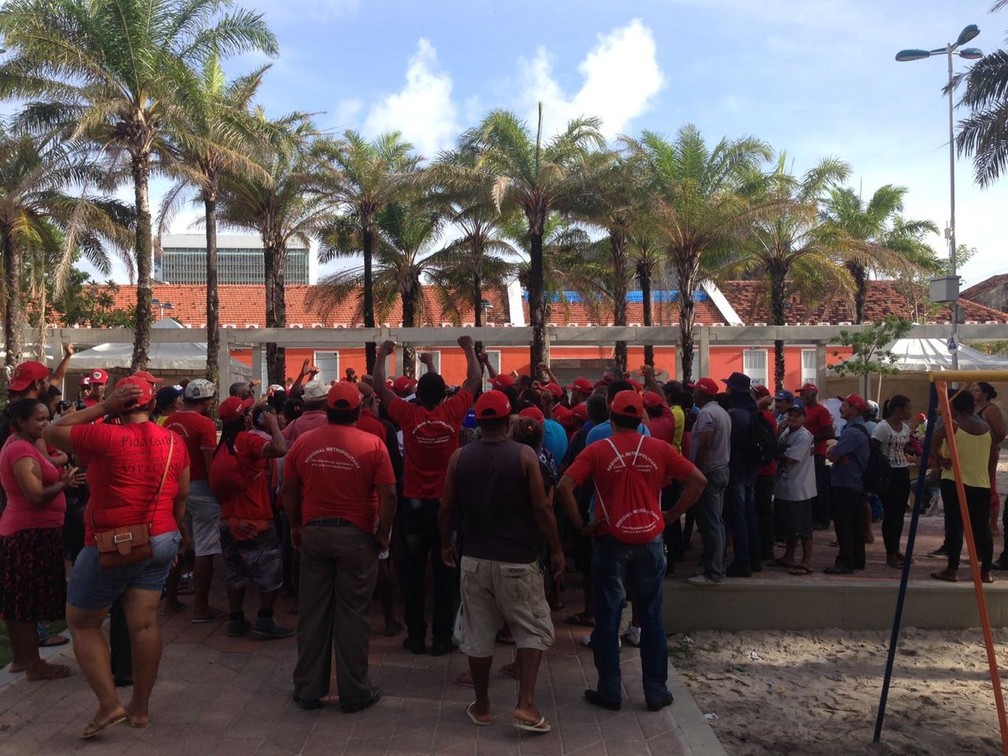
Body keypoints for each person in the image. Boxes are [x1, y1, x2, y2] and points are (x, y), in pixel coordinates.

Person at [44, 377, 190, 737]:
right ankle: (140, 710)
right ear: (153, 406)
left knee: (82, 622)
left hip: (114, 542)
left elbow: (52, 430)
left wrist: (104, 408)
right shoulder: (174, 441)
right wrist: (174, 537)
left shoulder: (103, 436)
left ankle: (110, 704)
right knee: (144, 623)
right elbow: (181, 495)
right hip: (162, 537)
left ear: (118, 405)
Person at [558, 390, 706, 713]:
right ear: (641, 419)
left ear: (611, 419)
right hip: (651, 539)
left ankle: (609, 689)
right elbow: (697, 480)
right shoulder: (659, 449)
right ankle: (656, 691)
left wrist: (581, 525)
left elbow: (564, 487)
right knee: (651, 616)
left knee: (608, 616)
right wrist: (670, 515)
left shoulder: (597, 449)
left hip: (610, 539)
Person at [439, 390, 563, 733]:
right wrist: (555, 549)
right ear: (508, 421)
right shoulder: (524, 455)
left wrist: (444, 544)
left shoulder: (459, 458)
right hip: (518, 560)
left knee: (478, 633)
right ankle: (525, 704)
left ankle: (482, 706)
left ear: (478, 422)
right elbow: (542, 508)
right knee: (531, 629)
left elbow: (446, 508)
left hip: (474, 559)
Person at [283, 382, 397, 712]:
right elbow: (389, 495)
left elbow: (289, 489)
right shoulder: (373, 444)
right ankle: (355, 691)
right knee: (353, 616)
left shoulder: (304, 442)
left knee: (313, 613)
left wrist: (295, 524)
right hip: (357, 536)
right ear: (359, 412)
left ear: (328, 410)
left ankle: (307, 688)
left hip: (315, 534)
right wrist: (384, 533)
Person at [371, 336, 481, 656]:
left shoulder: (408, 416)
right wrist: (468, 348)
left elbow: (379, 386)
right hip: (447, 506)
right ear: (445, 394)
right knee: (447, 571)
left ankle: (416, 636)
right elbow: (474, 379)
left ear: (417, 396)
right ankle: (443, 637)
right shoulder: (453, 414)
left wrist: (383, 354)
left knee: (414, 572)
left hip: (414, 506)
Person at [0, 398, 84, 679]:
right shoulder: (21, 451)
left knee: (18, 600)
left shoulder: (24, 443)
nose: (46, 424)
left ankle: (23, 659)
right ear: (21, 422)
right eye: (40, 419)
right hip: (29, 533)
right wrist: (64, 482)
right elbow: (34, 495)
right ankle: (34, 663)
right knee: (25, 602)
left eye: (47, 418)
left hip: (34, 531)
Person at [211, 397, 292, 639]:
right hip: (255, 519)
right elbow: (280, 448)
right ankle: (265, 620)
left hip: (228, 519)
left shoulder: (222, 446)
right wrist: (275, 425)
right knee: (270, 572)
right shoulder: (247, 440)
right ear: (244, 417)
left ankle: (236, 620)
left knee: (236, 571)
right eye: (247, 410)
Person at [163, 378, 223, 623]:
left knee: (177, 545)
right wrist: (216, 488)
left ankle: (171, 602)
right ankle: (201, 608)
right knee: (205, 548)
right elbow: (208, 461)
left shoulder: (170, 421)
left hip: (174, 488)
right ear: (207, 402)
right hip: (199, 487)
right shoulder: (204, 424)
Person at [930, 389, 998, 584]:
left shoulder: (951, 426)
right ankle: (986, 571)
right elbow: (993, 458)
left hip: (955, 481)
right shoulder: (986, 428)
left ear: (953, 406)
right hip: (980, 483)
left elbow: (932, 442)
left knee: (954, 527)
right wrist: (988, 478)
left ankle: (952, 570)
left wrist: (941, 461)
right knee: (982, 528)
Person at [684, 377, 731, 586]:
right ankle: (717, 565)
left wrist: (698, 472)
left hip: (710, 472)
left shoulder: (707, 414)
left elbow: (706, 443)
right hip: (720, 469)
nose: (693, 394)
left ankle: (713, 572)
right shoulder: (720, 412)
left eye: (695, 391)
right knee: (716, 522)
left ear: (702, 394)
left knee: (711, 523)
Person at [824, 394, 870, 575]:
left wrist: (834, 452)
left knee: (844, 524)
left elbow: (833, 454)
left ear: (855, 409)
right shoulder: (858, 429)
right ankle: (857, 560)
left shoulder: (852, 432)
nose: (841, 408)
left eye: (844, 405)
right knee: (855, 524)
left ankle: (845, 561)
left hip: (847, 483)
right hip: (856, 483)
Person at [722, 372, 762, 577]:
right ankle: (755, 559)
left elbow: (729, 443)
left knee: (737, 516)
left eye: (728, 387)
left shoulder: (734, 414)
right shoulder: (754, 410)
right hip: (751, 468)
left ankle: (742, 561)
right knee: (749, 514)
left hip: (736, 469)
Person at [771, 400, 816, 574]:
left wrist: (774, 452)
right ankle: (789, 556)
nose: (792, 418)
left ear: (804, 419)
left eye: (797, 416)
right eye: (790, 415)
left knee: (803, 527)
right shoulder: (787, 433)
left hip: (800, 488)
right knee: (790, 526)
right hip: (786, 485)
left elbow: (790, 458)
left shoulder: (803, 436)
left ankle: (807, 561)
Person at [873, 395, 917, 568]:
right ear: (898, 410)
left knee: (899, 513)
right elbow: (873, 446)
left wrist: (912, 453)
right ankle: (889, 553)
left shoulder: (905, 428)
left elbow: (904, 447)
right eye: (908, 408)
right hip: (888, 473)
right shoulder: (883, 427)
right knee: (890, 514)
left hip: (902, 472)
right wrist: (880, 465)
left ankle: (896, 548)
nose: (910, 411)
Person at [797, 383, 835, 530]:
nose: (801, 396)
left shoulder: (821, 411)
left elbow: (829, 433)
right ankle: (812, 517)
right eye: (800, 394)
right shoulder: (804, 410)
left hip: (817, 454)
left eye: (803, 393)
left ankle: (823, 518)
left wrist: (810, 438)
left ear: (812, 394)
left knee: (820, 487)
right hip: (805, 455)